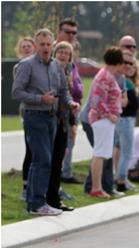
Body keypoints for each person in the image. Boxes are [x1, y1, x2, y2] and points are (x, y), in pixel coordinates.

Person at [11, 28, 80, 215]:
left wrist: (71, 103)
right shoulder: (27, 65)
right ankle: (38, 203)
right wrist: (41, 99)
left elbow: (64, 90)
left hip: (52, 118)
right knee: (43, 160)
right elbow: (16, 92)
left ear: (53, 45)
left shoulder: (56, 66)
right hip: (34, 116)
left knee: (39, 162)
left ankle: (34, 204)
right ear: (36, 46)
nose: (46, 47)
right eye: (42, 44)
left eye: (49, 44)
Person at [88, 47, 126, 199]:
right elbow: (97, 100)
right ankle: (96, 188)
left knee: (101, 153)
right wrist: (109, 115)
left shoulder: (107, 75)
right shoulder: (105, 76)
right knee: (100, 153)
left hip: (104, 120)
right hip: (102, 120)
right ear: (117, 62)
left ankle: (97, 187)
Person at [46, 41, 76, 212]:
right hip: (50, 119)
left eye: (67, 53)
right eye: (60, 52)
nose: (63, 55)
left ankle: (54, 198)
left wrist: (72, 122)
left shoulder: (69, 72)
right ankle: (44, 197)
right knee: (46, 160)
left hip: (64, 120)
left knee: (58, 160)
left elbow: (69, 97)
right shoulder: (50, 70)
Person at [113, 50, 139, 193]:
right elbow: (134, 103)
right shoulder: (125, 81)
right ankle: (121, 181)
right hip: (125, 120)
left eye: (131, 63)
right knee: (126, 152)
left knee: (120, 150)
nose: (128, 66)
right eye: (124, 63)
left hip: (123, 120)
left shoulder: (126, 81)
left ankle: (122, 178)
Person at [14, 36, 36, 201]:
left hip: (43, 111)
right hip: (28, 112)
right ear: (20, 50)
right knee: (30, 149)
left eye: (29, 46)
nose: (27, 49)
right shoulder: (19, 67)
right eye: (24, 47)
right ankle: (25, 187)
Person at [61, 40, 84, 185]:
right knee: (66, 143)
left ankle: (67, 171)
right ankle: (64, 172)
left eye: (74, 50)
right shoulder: (65, 69)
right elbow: (73, 89)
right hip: (66, 109)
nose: (72, 53)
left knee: (71, 141)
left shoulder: (74, 67)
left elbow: (79, 89)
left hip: (74, 108)